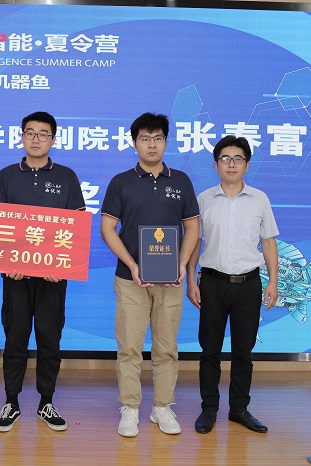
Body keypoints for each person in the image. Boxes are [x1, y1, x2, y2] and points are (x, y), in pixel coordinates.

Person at [101, 112, 199, 438]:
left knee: (166, 347)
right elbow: (107, 229)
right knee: (130, 347)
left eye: (158, 138)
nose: (152, 144)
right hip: (130, 279)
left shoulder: (181, 181)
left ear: (166, 142)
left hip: (171, 280)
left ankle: (162, 407)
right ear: (135, 143)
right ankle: (130, 408)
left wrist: (181, 264)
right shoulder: (121, 182)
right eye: (145, 138)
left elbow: (192, 227)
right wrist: (132, 264)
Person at [0, 111, 86, 433]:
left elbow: (76, 227)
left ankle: (46, 401)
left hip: (52, 279)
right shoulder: (6, 176)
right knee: (14, 339)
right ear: (21, 137)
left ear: (53, 140)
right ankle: (11, 401)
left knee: (50, 339)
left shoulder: (67, 177)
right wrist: (7, 264)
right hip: (15, 277)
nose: (36, 139)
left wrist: (63, 266)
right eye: (30, 133)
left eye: (43, 134)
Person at [186, 135, 279, 435]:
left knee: (243, 351)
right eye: (225, 159)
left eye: (238, 159)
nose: (231, 164)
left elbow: (268, 242)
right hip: (212, 283)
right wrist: (191, 278)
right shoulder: (203, 199)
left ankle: (239, 409)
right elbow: (195, 242)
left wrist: (273, 282)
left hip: (248, 285)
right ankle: (209, 408)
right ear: (215, 165)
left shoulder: (260, 199)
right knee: (209, 350)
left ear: (247, 165)